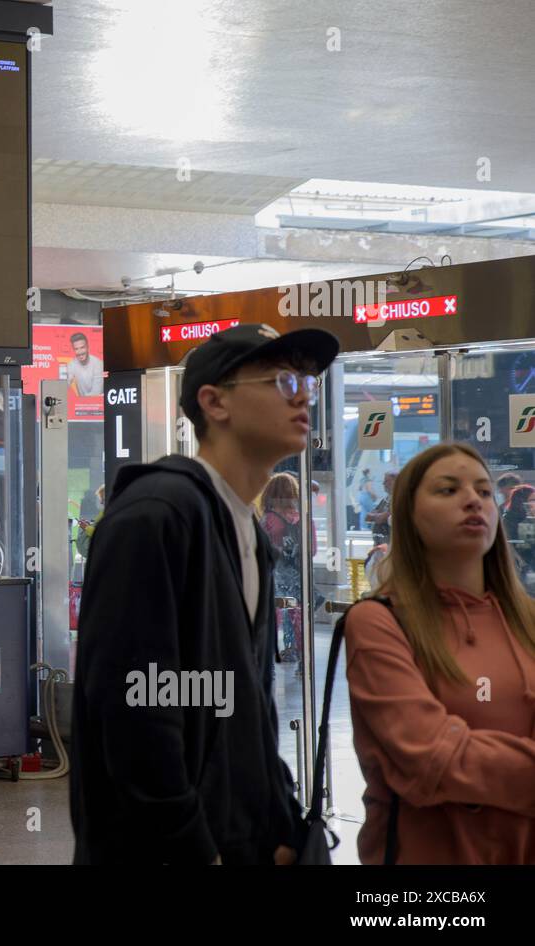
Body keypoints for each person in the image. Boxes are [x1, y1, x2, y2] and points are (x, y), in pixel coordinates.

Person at [71, 323, 339, 865]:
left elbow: (242, 702)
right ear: (214, 403)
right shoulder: (158, 516)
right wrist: (193, 849)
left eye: (308, 381)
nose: (305, 395)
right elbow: (137, 708)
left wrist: (280, 823)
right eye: (284, 380)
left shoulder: (246, 534)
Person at [342, 443, 535, 863]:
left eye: (484, 492)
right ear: (409, 515)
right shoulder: (379, 622)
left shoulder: (528, 619)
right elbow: (429, 756)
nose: (473, 500)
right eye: (448, 490)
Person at [259, 472, 305, 663]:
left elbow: (260, 549)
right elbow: (312, 549)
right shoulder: (302, 517)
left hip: (275, 575)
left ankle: (269, 655)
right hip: (297, 574)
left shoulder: (268, 519)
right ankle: (300, 654)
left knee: (275, 614)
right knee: (297, 615)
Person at [366, 469, 398, 547]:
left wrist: (378, 516)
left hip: (392, 546)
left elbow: (382, 518)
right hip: (379, 545)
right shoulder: (385, 499)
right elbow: (368, 517)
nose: (383, 484)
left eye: (386, 481)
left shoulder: (400, 499)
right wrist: (378, 516)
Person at [66, 332, 103, 397]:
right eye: (76, 349)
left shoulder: (97, 363)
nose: (80, 352)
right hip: (82, 404)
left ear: (88, 347)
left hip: (99, 404)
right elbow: (66, 383)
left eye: (82, 347)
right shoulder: (72, 364)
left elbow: (96, 392)